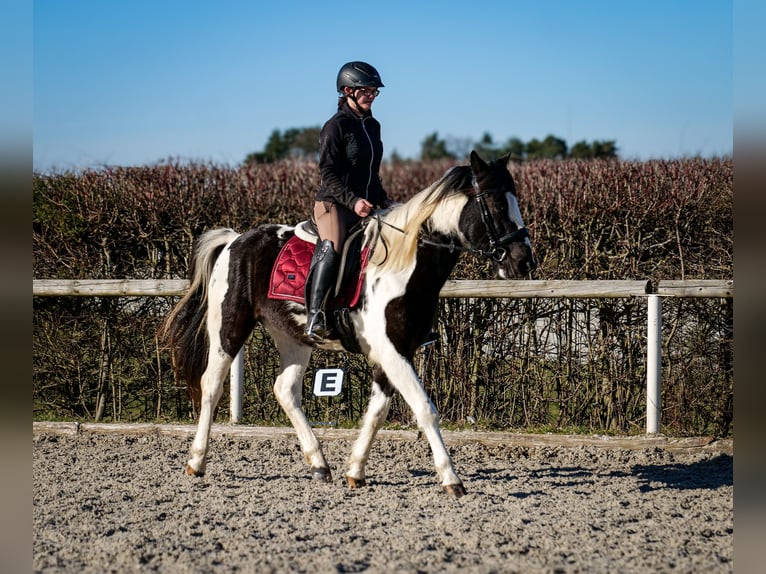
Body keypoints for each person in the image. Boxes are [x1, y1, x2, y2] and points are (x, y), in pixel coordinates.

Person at [305, 61, 393, 341]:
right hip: (334, 205)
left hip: (363, 205)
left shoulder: (373, 126)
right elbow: (328, 173)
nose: (371, 96)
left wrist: (383, 200)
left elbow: (370, 172)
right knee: (333, 246)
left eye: (374, 91)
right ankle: (315, 314)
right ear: (347, 91)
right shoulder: (335, 126)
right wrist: (352, 201)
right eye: (365, 91)